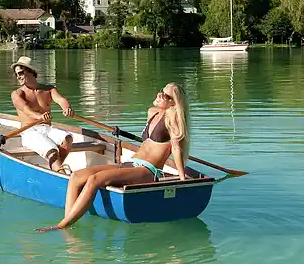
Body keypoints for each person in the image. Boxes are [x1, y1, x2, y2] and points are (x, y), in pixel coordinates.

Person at [35, 82, 191, 232]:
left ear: (173, 102)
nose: (159, 95)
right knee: (76, 176)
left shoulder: (174, 117)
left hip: (147, 170)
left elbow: (176, 148)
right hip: (131, 163)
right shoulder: (152, 112)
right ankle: (69, 220)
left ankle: (62, 226)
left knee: (94, 180)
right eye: (161, 91)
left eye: (165, 95)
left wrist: (182, 178)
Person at [10, 56, 75, 173]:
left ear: (31, 71)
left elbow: (61, 100)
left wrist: (67, 108)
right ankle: (61, 173)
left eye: (20, 73)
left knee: (68, 138)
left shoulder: (48, 89)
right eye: (16, 74)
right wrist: (38, 116)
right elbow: (25, 109)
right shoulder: (17, 94)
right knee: (52, 150)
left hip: (47, 128)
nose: (18, 77)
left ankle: (57, 170)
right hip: (29, 131)